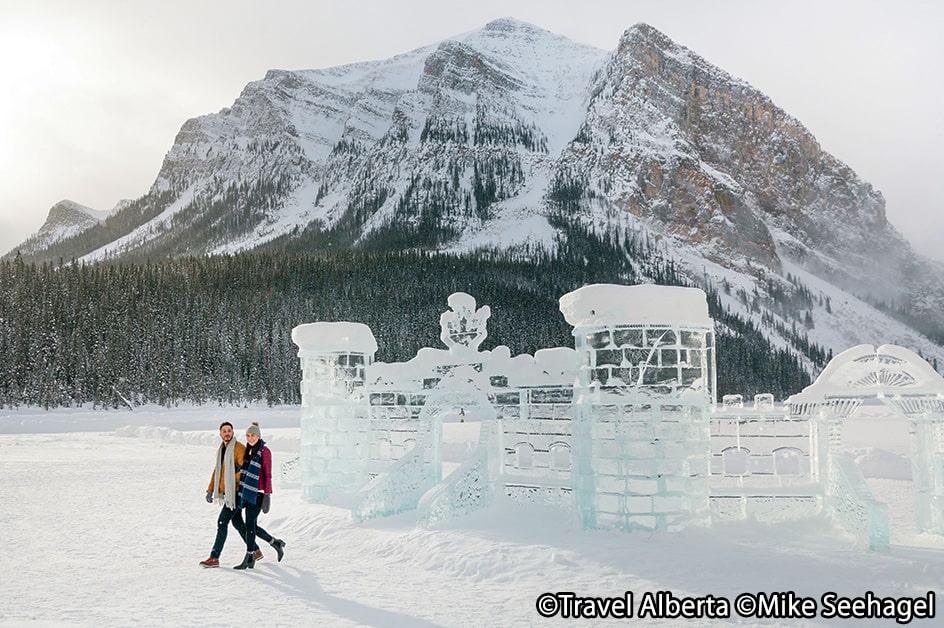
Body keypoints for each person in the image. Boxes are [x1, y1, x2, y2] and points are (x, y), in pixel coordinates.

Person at [198, 421, 265, 568]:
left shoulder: (239, 448)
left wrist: (233, 477)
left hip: (236, 493)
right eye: (224, 431)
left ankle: (214, 557)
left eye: (229, 431)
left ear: (233, 433)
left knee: (222, 522)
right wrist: (210, 489)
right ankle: (255, 550)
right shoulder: (221, 450)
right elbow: (217, 471)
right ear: (220, 434)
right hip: (229, 493)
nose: (227, 433)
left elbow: (245, 469)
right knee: (238, 523)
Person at [233, 421, 285, 570]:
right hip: (247, 491)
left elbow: (268, 474)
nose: (250, 438)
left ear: (259, 436)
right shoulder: (248, 451)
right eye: (248, 435)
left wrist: (267, 495)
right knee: (252, 525)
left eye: (253, 435)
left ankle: (250, 557)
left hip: (259, 493)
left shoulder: (265, 451)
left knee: (250, 524)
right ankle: (275, 543)